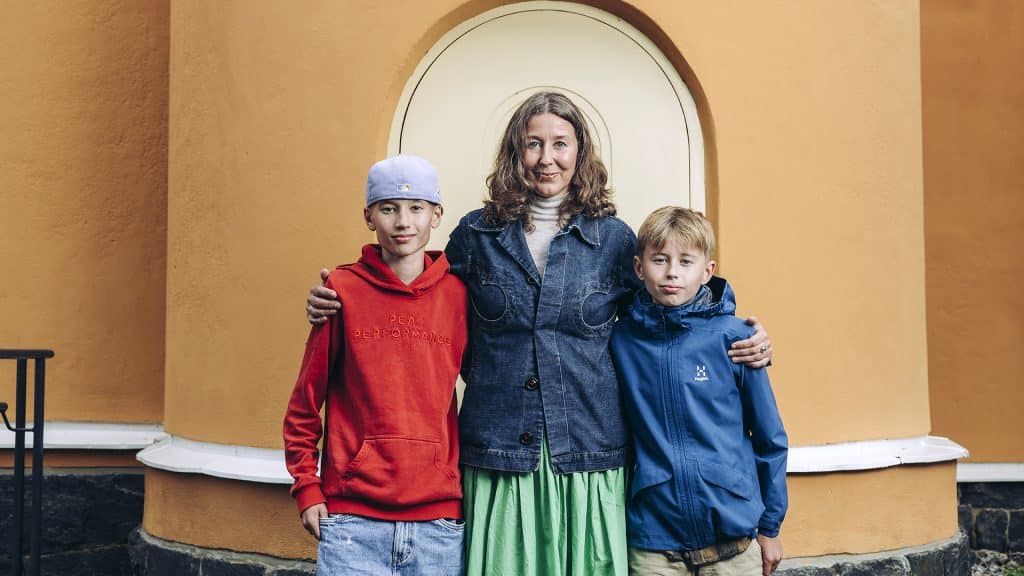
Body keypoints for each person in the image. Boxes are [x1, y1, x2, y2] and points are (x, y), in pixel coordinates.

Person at [305, 92, 773, 575]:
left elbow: (667, 311)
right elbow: (416, 290)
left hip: (590, 451)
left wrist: (733, 327)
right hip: (498, 451)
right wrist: (340, 294)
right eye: (533, 144)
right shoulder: (476, 235)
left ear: (580, 152)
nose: (547, 158)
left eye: (560, 144)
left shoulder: (614, 239)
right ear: (516, 151)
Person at [283, 155, 468, 575]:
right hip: (352, 523)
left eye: (416, 208)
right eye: (388, 208)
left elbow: (489, 383)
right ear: (369, 217)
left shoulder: (459, 295)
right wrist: (307, 487)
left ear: (437, 215)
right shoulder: (341, 292)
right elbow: (304, 403)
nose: (403, 222)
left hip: (438, 524)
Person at [611, 206, 787, 576]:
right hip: (655, 542)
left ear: (707, 271)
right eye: (660, 259)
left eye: (686, 261)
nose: (672, 272)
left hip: (733, 538)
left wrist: (770, 526)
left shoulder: (736, 339)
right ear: (639, 268)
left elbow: (769, 439)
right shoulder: (621, 340)